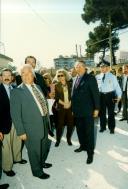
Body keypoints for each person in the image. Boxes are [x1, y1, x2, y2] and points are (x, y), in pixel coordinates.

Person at [10, 64, 52, 179]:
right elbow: (15, 114)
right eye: (23, 73)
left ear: (33, 75)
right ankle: (37, 171)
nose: (26, 75)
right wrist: (21, 131)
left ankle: (42, 162)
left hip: (43, 121)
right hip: (30, 127)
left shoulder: (37, 86)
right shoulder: (16, 92)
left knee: (44, 146)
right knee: (34, 150)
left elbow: (42, 103)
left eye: (28, 73)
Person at [71, 60, 100, 164]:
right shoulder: (75, 79)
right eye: (76, 66)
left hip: (88, 111)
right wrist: (73, 110)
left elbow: (95, 94)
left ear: (84, 67)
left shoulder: (90, 78)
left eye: (79, 66)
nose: (77, 68)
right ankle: (82, 146)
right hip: (78, 111)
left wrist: (96, 109)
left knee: (89, 132)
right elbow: (73, 96)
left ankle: (90, 153)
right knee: (80, 131)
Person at [0, 68, 26, 177]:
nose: (6, 77)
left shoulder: (15, 88)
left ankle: (17, 158)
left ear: (12, 78)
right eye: (4, 75)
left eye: (9, 75)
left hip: (16, 121)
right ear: (1, 78)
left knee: (17, 141)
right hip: (3, 124)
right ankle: (7, 167)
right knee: (6, 147)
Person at [96, 60, 122, 133]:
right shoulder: (97, 76)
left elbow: (117, 87)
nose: (102, 68)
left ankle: (111, 128)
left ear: (107, 67)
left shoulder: (112, 76)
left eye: (103, 67)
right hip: (101, 96)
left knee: (111, 113)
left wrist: (119, 96)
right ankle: (102, 127)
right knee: (102, 113)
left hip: (110, 95)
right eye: (101, 67)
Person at [54, 69, 74, 147]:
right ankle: (58, 140)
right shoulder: (56, 86)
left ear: (65, 76)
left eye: (62, 75)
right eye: (58, 76)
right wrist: (64, 104)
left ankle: (68, 139)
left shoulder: (71, 84)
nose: (60, 77)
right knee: (59, 125)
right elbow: (56, 97)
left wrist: (69, 103)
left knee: (70, 124)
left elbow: (73, 95)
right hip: (61, 108)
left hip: (70, 107)